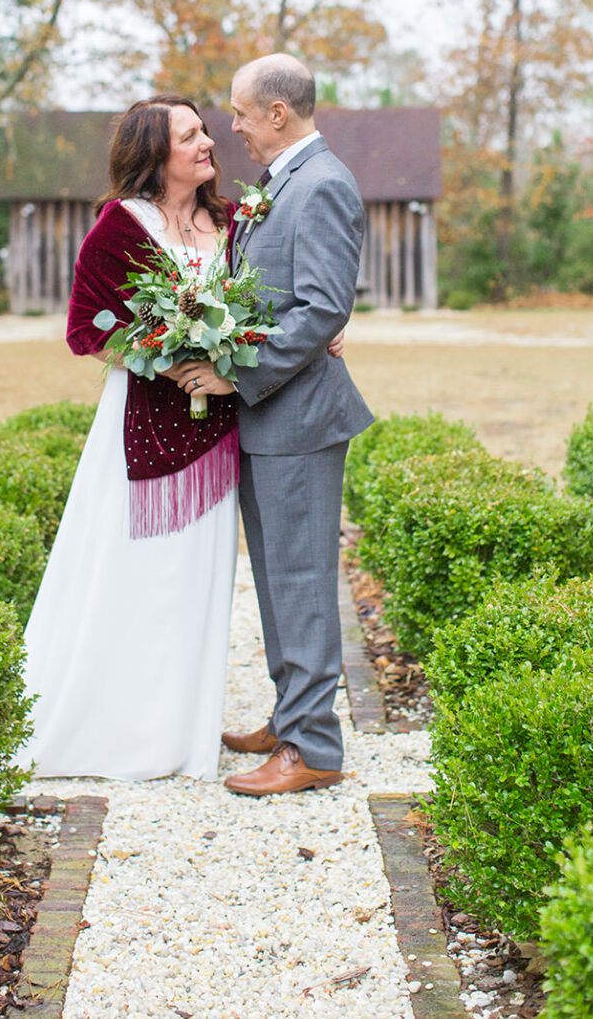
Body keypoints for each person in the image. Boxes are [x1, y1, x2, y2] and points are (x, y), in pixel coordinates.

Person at [12, 94, 240, 782]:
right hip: (141, 422)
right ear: (155, 152)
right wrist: (168, 356)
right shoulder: (121, 225)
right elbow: (88, 327)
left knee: (196, 578)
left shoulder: (229, 220)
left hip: (220, 427)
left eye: (203, 130)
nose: (207, 142)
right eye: (190, 135)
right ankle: (120, 729)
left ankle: (179, 728)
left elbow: (271, 301)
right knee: (138, 572)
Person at [174, 55, 373, 796]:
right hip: (272, 419)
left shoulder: (319, 184)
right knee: (280, 579)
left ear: (278, 114)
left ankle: (313, 747)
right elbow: (285, 300)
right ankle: (295, 715)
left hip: (298, 418)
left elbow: (323, 308)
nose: (233, 127)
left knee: (300, 579)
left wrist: (237, 372)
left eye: (241, 113)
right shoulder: (282, 182)